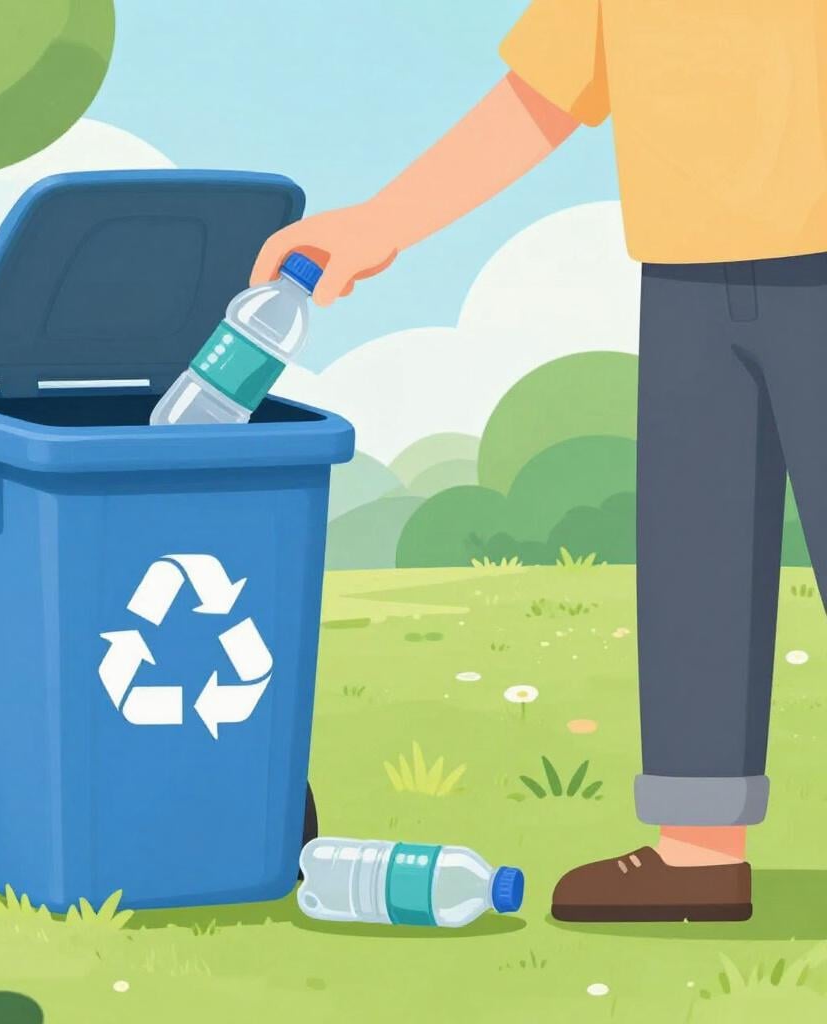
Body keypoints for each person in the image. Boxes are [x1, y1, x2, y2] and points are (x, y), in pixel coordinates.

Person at [252, 0, 827, 923]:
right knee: (695, 556)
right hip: (685, 270)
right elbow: (541, 97)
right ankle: (698, 845)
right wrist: (381, 222)